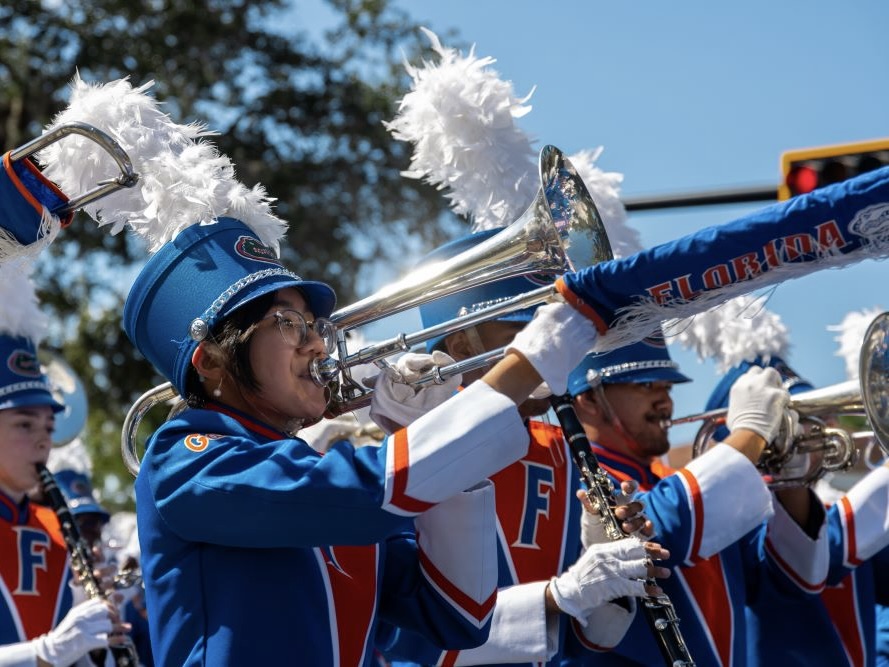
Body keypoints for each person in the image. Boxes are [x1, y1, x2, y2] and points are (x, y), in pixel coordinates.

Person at [120, 213, 665, 666]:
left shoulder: (314, 468)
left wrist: (446, 454)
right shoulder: (182, 458)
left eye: (317, 328)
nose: (316, 346)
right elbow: (364, 491)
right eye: (289, 324)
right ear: (211, 359)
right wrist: (528, 363)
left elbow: (458, 614)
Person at [371, 229, 670, 666]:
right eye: (522, 329)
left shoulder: (562, 452)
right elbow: (405, 636)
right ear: (460, 346)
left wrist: (604, 566)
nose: (552, 348)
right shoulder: (404, 450)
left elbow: (588, 642)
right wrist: (557, 596)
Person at [565, 337, 829, 665]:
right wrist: (752, 431)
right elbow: (652, 532)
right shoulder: (572, 479)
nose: (665, 401)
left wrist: (790, 474)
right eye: (647, 386)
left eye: (669, 387)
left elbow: (790, 579)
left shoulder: (672, 481)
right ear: (589, 398)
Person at [0, 261, 128, 667]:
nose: (43, 438)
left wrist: (97, 640)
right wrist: (46, 652)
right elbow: (52, 649)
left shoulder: (58, 528)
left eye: (49, 424)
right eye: (24, 423)